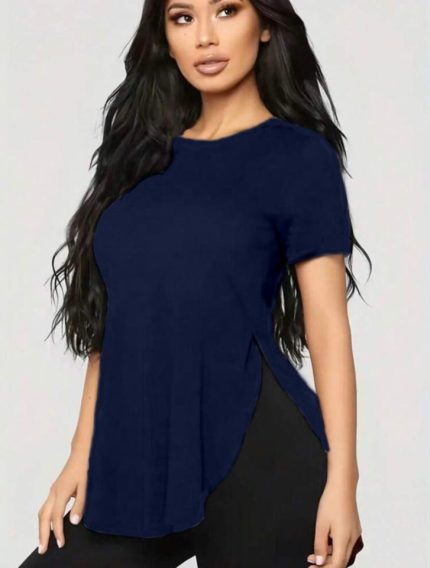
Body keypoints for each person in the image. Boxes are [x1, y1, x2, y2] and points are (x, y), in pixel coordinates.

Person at [19, 0, 369, 566]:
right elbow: (115, 318)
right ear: (165, 35)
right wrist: (80, 454)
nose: (205, 36)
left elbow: (327, 327)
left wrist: (342, 481)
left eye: (226, 11)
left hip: (258, 457)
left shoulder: (299, 157)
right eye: (183, 17)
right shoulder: (137, 157)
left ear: (264, 26)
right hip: (138, 456)